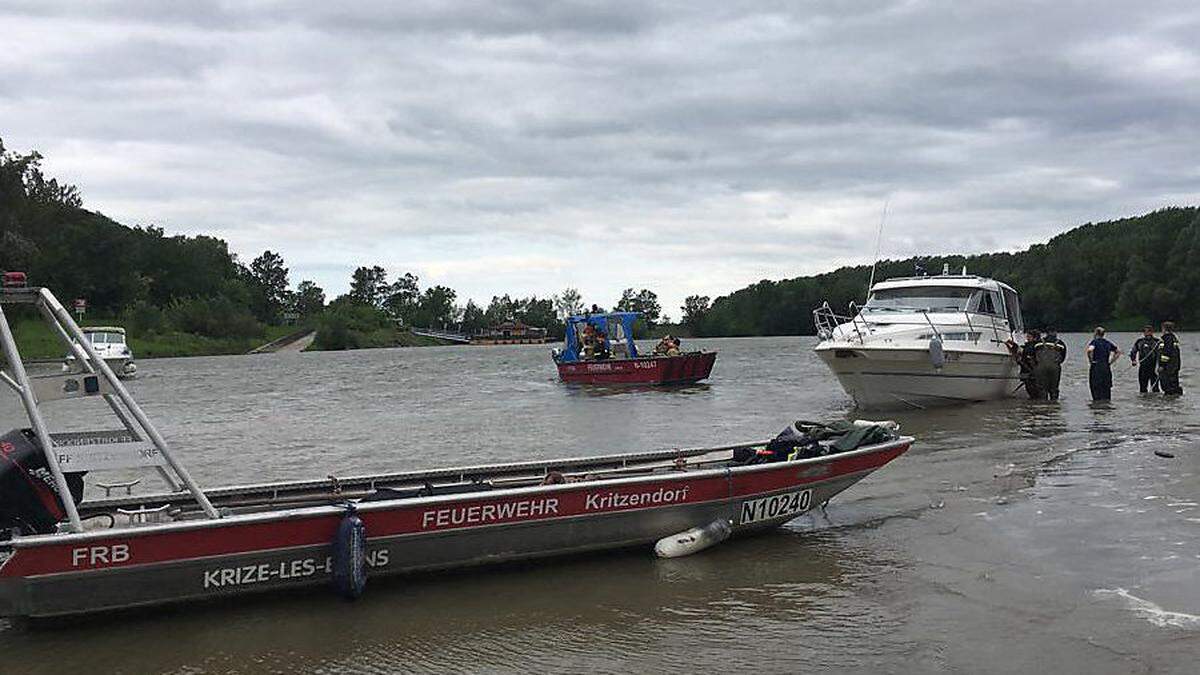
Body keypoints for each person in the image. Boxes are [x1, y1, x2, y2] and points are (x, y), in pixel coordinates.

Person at [1006, 330, 1043, 399]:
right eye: (1027, 337)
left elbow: (1024, 351)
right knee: (1032, 389)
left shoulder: (1034, 346)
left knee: (1033, 390)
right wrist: (1014, 345)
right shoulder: (1035, 345)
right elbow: (1022, 350)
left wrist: (1013, 347)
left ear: (1035, 338)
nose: (1027, 338)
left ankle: (1034, 402)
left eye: (1029, 337)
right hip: (1030, 371)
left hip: (1031, 372)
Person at [1086, 327, 1119, 401]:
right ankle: (1106, 407)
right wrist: (1111, 362)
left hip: (1096, 366)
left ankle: (1097, 406)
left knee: (1096, 388)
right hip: (1106, 367)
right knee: (1106, 388)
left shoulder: (1094, 342)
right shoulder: (1107, 343)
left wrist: (1091, 361)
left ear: (1096, 333)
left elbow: (1089, 350)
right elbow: (1118, 352)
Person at [1033, 329, 1067, 400]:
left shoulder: (1038, 343)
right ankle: (1054, 405)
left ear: (1046, 333)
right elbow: (1063, 357)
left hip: (1041, 367)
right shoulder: (1061, 343)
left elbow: (1033, 354)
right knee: (1054, 388)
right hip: (1055, 367)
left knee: (1042, 388)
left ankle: (1043, 405)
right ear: (1055, 333)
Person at [1129, 325, 1161, 393]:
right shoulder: (1139, 341)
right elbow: (1133, 351)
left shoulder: (1157, 342)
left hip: (1154, 367)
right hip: (1143, 367)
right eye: (1145, 331)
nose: (1147, 333)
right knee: (1143, 388)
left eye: (1149, 331)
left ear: (1152, 332)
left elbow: (1162, 353)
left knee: (1155, 388)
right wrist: (1133, 360)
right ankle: (1143, 401)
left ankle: (1156, 402)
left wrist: (1161, 365)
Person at [1158, 321, 1183, 396]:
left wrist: (1162, 365)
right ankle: (1174, 399)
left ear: (1164, 329)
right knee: (1174, 383)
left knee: (1168, 385)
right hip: (1174, 366)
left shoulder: (1167, 338)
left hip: (1168, 367)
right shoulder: (1173, 337)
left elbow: (1166, 353)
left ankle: (1171, 398)